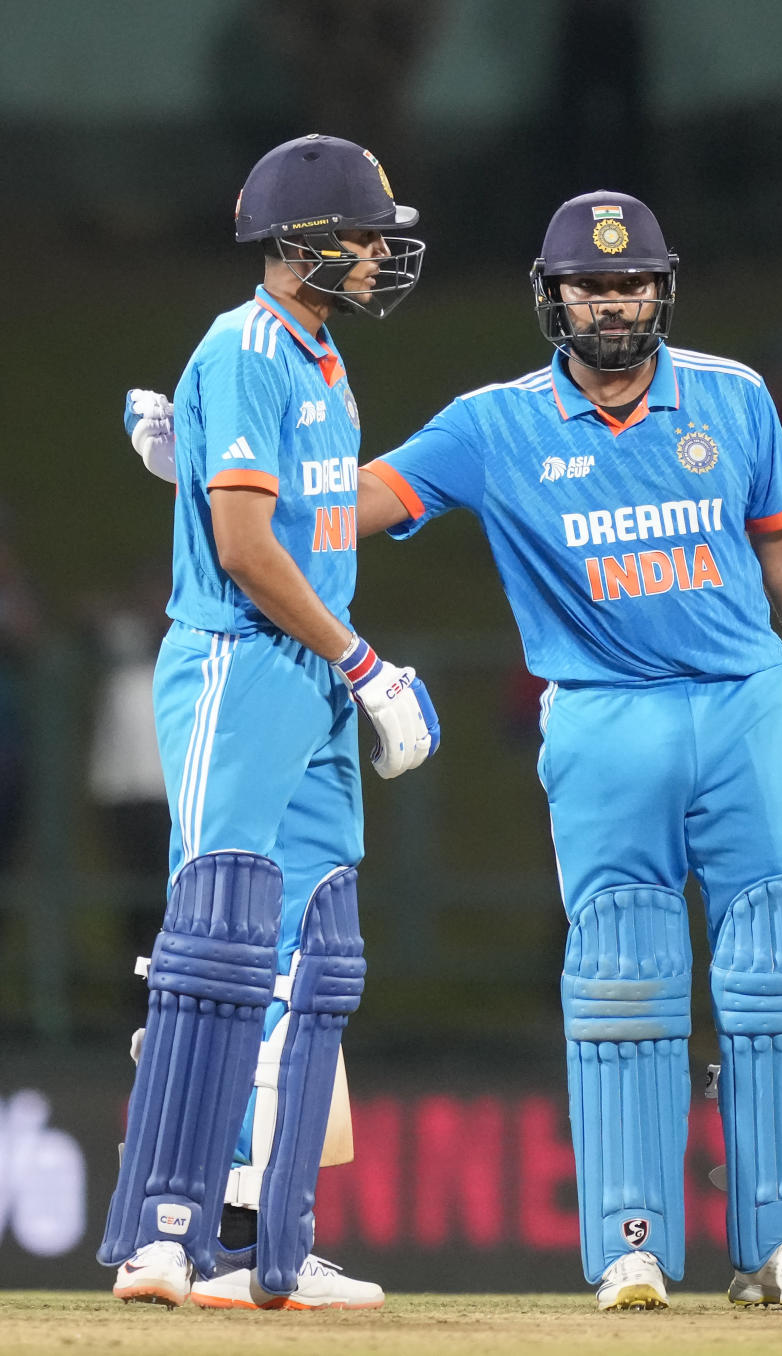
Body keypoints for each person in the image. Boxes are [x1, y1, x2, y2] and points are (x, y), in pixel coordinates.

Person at [128, 190, 782, 1311]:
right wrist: (212, 461)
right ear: (554, 298)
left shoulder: (732, 399)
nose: (614, 303)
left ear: (662, 290)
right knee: (624, 979)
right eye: (592, 287)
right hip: (601, 721)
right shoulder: (493, 426)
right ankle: (631, 1244)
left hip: (746, 707)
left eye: (632, 282)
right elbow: (345, 508)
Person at [99, 133, 439, 1313]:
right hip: (246, 663)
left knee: (304, 958)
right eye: (361, 234)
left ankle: (257, 1241)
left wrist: (192, 456)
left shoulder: (321, 360)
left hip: (308, 676)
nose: (379, 253)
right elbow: (245, 552)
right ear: (299, 243)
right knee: (217, 938)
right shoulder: (244, 345)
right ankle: (162, 1227)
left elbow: (294, 511)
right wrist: (366, 662)